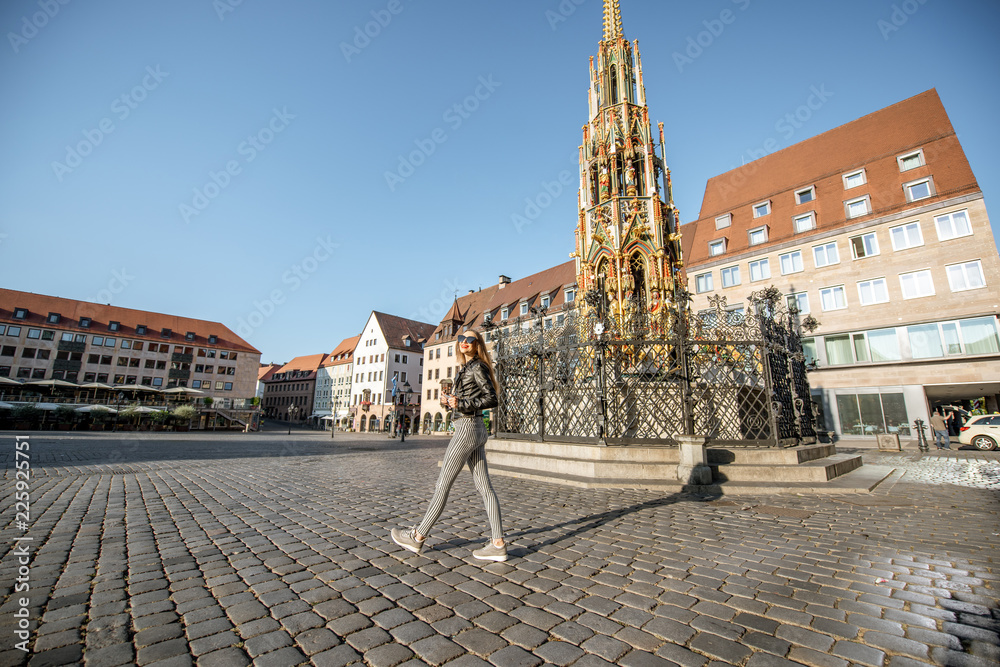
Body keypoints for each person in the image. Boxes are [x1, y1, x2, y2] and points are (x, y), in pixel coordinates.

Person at [391, 329, 507, 562]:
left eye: (470, 340)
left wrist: (462, 402)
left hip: (467, 428)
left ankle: (418, 536)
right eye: (461, 339)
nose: (464, 342)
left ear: (478, 344)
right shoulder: (467, 367)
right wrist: (451, 401)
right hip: (474, 427)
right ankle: (498, 543)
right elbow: (470, 398)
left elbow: (493, 398)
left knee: (443, 483)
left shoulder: (477, 367)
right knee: (484, 487)